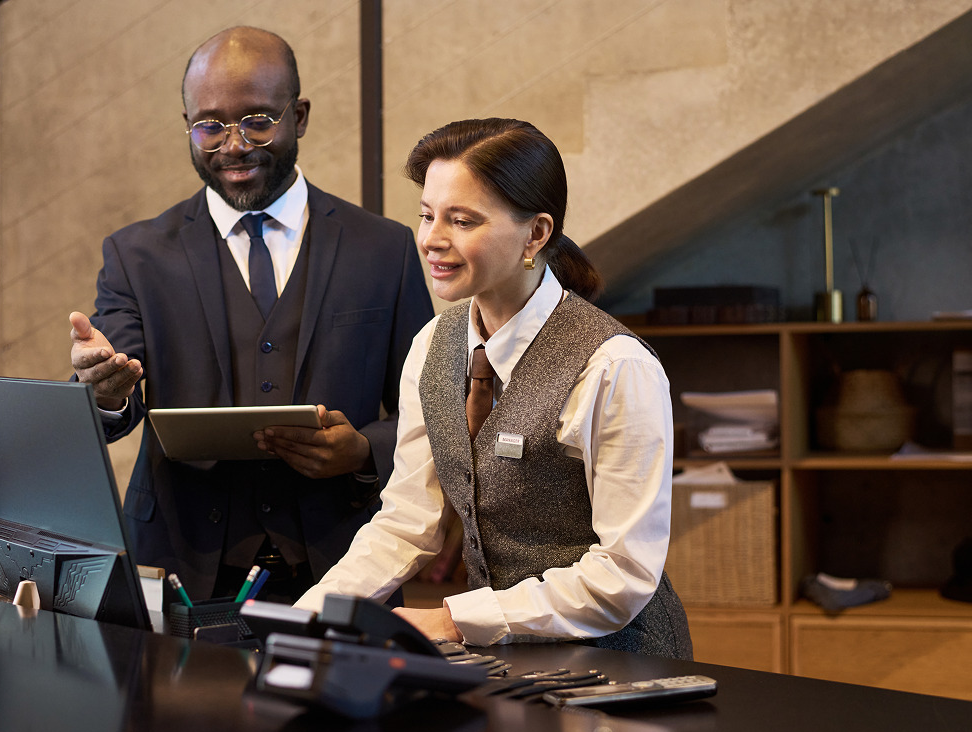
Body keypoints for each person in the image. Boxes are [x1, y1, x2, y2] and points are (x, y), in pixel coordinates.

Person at [296, 118, 692, 658]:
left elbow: (623, 575)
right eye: (427, 215)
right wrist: (309, 616)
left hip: (620, 666)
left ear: (536, 233)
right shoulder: (433, 346)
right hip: (507, 660)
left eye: (462, 220)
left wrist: (455, 620)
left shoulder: (614, 366)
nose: (433, 239)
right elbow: (409, 522)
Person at [69, 27, 433, 604]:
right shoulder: (136, 254)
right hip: (181, 568)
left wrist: (365, 451)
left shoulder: (383, 250)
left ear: (300, 116)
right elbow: (113, 403)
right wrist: (104, 389)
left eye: (258, 119)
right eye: (209, 125)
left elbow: (429, 411)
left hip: (345, 566)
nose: (233, 145)